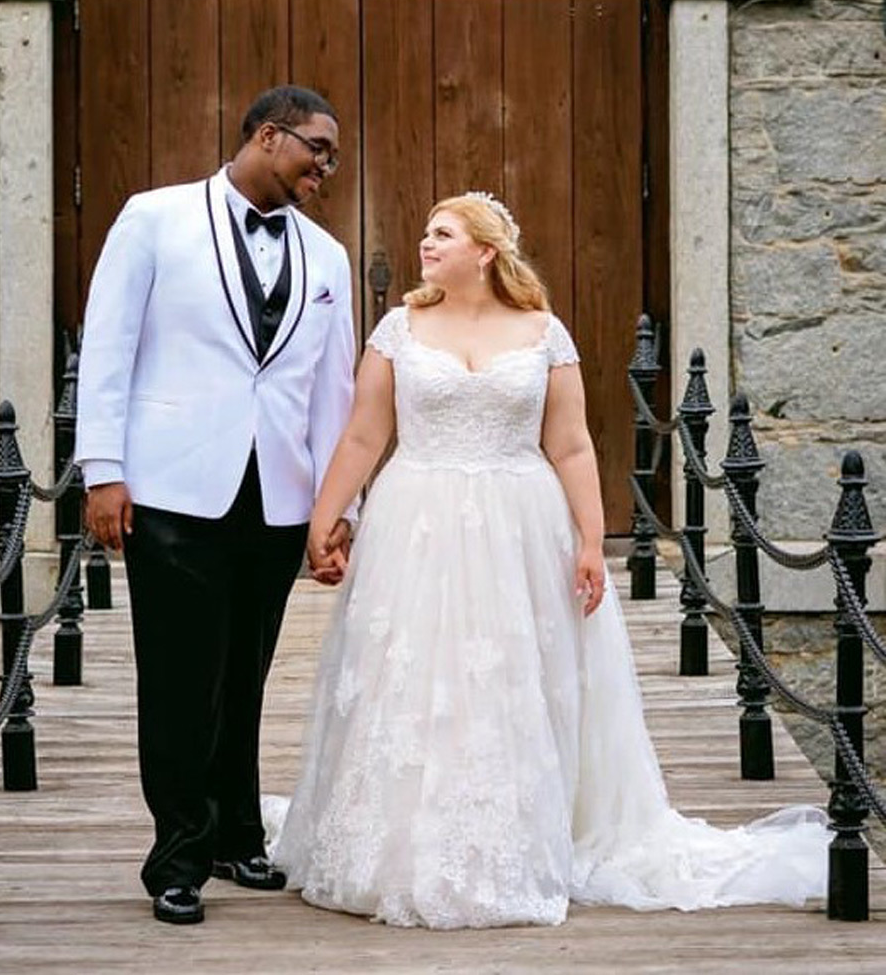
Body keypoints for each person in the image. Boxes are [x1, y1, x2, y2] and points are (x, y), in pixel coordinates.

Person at [270, 191, 826, 929]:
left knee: (508, 674)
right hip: (417, 520)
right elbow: (364, 436)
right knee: (412, 672)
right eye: (427, 232)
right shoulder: (399, 329)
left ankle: (512, 835)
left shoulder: (542, 333)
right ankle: (401, 841)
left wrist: (591, 540)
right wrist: (327, 516)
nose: (426, 243)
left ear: (485, 252)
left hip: (520, 524)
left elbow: (570, 445)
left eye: (443, 233)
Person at [75, 86, 356, 925]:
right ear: (268, 136)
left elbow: (332, 392)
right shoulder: (153, 219)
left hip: (278, 498)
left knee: (246, 675)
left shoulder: (327, 257)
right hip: (170, 489)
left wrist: (336, 507)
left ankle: (238, 833)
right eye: (316, 149)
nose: (326, 168)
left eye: (332, 156)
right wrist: (103, 469)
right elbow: (109, 346)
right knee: (178, 679)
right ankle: (178, 855)